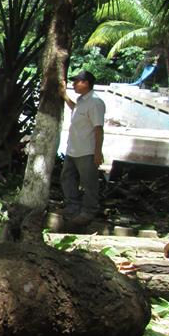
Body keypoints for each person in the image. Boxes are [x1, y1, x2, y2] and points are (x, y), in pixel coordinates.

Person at [60, 69, 106, 223]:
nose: (74, 85)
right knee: (67, 178)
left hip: (87, 150)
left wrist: (97, 152)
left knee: (89, 183)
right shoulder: (81, 101)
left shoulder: (95, 102)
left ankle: (89, 211)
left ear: (85, 83)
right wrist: (65, 96)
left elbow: (98, 128)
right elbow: (75, 110)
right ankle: (73, 207)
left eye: (76, 82)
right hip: (73, 149)